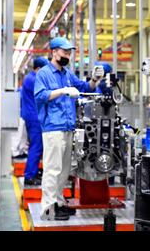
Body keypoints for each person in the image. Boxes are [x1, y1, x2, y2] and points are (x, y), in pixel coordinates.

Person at [34, 37, 104, 221]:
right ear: (54, 52)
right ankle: (48, 209)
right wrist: (63, 91)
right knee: (52, 170)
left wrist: (95, 80)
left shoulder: (67, 74)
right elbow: (40, 96)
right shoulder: (44, 74)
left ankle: (58, 203)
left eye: (69, 52)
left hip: (67, 127)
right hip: (53, 128)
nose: (68, 55)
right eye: (65, 52)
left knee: (64, 170)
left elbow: (84, 87)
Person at [22, 56, 49, 185]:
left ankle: (33, 172)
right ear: (38, 68)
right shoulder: (33, 80)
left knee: (37, 146)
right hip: (34, 118)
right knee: (36, 146)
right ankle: (29, 176)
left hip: (33, 117)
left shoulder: (31, 78)